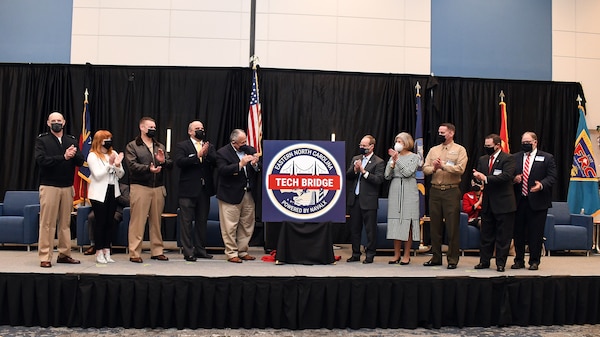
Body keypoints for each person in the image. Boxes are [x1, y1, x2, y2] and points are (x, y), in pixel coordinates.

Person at [35, 111, 85, 268]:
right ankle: (45, 256)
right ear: (48, 123)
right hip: (49, 186)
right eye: (53, 120)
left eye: (59, 120)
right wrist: (63, 157)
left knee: (65, 223)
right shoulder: (42, 140)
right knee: (47, 223)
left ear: (64, 122)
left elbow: (80, 161)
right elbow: (42, 161)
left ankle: (64, 254)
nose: (56, 123)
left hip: (67, 187)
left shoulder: (71, 140)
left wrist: (73, 154)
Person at [125, 117, 173, 263]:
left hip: (158, 187)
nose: (152, 129)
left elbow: (170, 164)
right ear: (141, 127)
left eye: (154, 127)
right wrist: (148, 169)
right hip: (140, 187)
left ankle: (157, 250)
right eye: (149, 127)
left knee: (157, 222)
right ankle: (134, 252)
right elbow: (131, 166)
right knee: (138, 222)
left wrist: (164, 161)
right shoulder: (133, 146)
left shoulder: (159, 146)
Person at [422, 123, 468, 269]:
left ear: (451, 133)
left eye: (443, 132)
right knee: (435, 226)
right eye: (439, 132)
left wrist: (443, 166)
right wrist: (434, 168)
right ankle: (436, 257)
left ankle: (452, 259)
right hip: (435, 190)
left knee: (452, 226)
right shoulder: (434, 150)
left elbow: (460, 169)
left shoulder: (459, 149)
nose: (440, 134)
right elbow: (425, 168)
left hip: (451, 190)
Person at [511, 132, 557, 271]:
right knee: (518, 232)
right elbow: (509, 175)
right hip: (519, 200)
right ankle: (519, 260)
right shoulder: (515, 157)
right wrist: (514, 179)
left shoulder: (547, 157)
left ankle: (534, 260)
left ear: (535, 142)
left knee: (535, 233)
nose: (525, 144)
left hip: (538, 202)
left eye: (528, 142)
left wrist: (541, 185)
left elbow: (552, 177)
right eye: (523, 142)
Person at [472, 134, 516, 272]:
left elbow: (506, 176)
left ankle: (500, 263)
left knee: (503, 236)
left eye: (489, 146)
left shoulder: (508, 158)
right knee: (486, 234)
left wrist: (486, 178)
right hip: (487, 203)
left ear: (498, 145)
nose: (487, 148)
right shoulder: (483, 159)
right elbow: (481, 178)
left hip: (504, 203)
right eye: (485, 146)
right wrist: (477, 180)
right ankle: (484, 261)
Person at [216, 129, 261, 263]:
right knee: (230, 226)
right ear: (234, 143)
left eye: (246, 141)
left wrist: (255, 164)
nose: (245, 144)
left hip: (248, 193)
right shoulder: (222, 153)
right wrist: (240, 164)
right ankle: (231, 253)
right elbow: (222, 171)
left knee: (247, 224)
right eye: (242, 142)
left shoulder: (250, 150)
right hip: (230, 194)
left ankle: (243, 250)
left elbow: (260, 167)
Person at [174, 121, 216, 262]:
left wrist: (206, 154)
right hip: (188, 190)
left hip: (204, 190)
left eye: (202, 128)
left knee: (202, 221)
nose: (200, 131)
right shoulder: (182, 146)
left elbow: (215, 162)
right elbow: (180, 162)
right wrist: (197, 155)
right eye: (197, 129)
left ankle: (200, 249)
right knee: (186, 222)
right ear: (190, 131)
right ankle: (188, 251)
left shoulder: (209, 146)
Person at [87, 130, 125, 264]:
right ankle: (98, 251)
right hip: (98, 193)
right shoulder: (93, 156)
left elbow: (120, 175)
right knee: (101, 222)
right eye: (106, 139)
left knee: (110, 222)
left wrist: (118, 165)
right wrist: (110, 165)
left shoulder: (113, 153)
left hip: (112, 191)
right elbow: (97, 175)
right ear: (99, 141)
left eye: (110, 138)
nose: (109, 141)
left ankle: (107, 250)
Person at [346, 135, 385, 264]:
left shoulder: (378, 162)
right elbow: (348, 176)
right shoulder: (356, 159)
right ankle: (355, 253)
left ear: (371, 146)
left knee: (370, 229)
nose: (362, 148)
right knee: (355, 229)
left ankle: (370, 254)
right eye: (360, 145)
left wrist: (364, 172)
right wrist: (355, 170)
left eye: (364, 146)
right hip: (355, 199)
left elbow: (379, 180)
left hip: (369, 200)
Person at [384, 132, 420, 265]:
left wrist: (397, 160)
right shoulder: (393, 157)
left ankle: (406, 255)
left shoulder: (414, 157)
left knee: (406, 223)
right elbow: (387, 175)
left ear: (407, 143)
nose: (398, 143)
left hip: (409, 189)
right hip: (395, 188)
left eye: (400, 141)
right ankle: (396, 254)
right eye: (396, 141)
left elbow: (408, 173)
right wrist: (392, 163)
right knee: (395, 222)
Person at [84, 182, 130, 255]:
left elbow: (128, 202)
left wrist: (117, 196)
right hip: (101, 209)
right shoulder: (102, 187)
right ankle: (94, 245)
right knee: (91, 217)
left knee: (112, 218)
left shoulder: (124, 187)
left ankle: (108, 245)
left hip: (117, 211)